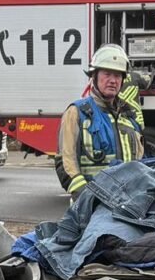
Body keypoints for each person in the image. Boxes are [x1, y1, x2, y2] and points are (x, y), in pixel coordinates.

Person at [57, 44, 143, 198]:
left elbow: (141, 163)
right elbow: (65, 160)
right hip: (93, 205)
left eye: (117, 76)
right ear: (94, 76)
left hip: (128, 204)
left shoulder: (129, 116)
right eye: (107, 74)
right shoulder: (77, 112)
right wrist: (85, 196)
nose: (113, 80)